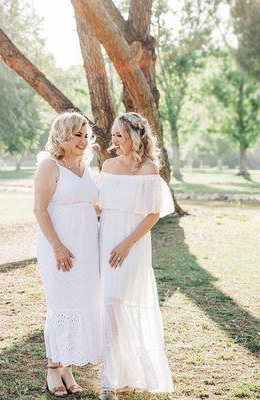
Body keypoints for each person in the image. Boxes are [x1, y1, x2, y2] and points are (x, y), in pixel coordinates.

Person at [98, 112, 174, 399]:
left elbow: (153, 213)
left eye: (119, 135)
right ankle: (115, 377)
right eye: (113, 135)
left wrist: (126, 244)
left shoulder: (148, 170)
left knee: (120, 305)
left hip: (132, 245)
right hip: (105, 241)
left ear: (135, 137)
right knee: (109, 306)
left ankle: (114, 378)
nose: (114, 140)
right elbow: (100, 205)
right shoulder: (107, 165)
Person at [33, 111, 101, 397]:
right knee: (61, 304)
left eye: (86, 135)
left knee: (81, 302)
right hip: (59, 246)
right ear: (62, 135)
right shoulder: (50, 166)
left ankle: (67, 367)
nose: (83, 141)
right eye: (77, 135)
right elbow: (39, 209)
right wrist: (58, 247)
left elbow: (94, 205)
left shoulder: (86, 167)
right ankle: (53, 368)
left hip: (87, 246)